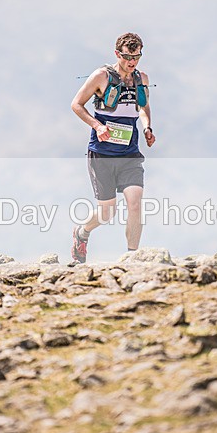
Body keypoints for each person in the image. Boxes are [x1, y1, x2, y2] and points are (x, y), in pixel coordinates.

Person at [70, 32, 156, 264]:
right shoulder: (101, 76)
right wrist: (98, 126)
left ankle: (132, 259)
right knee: (107, 213)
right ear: (118, 54)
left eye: (136, 56)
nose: (132, 62)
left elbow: (143, 107)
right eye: (128, 56)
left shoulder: (142, 78)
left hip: (129, 154)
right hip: (102, 154)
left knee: (135, 202)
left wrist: (147, 128)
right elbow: (76, 104)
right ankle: (82, 232)